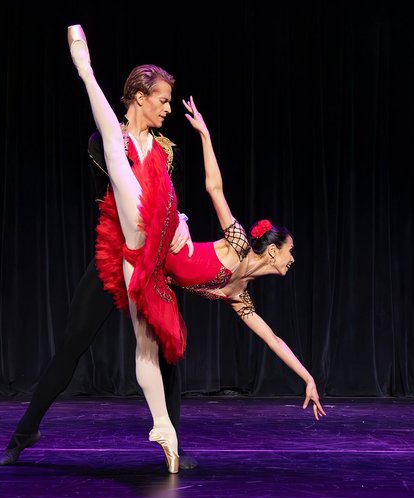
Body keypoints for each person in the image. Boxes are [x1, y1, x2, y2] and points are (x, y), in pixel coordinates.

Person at [68, 24, 326, 474]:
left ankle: (164, 429)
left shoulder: (237, 296)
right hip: (158, 225)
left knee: (146, 345)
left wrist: (307, 377)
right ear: (272, 249)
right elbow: (214, 187)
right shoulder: (238, 243)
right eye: (290, 252)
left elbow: (273, 339)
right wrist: (205, 136)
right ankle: (85, 70)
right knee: (113, 146)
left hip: (148, 262)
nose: (292, 260)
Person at [0, 52, 197, 470]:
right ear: (139, 97)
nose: (167, 107)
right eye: (162, 99)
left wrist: (183, 222)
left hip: (151, 259)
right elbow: (123, 199)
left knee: (166, 351)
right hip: (115, 255)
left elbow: (169, 201)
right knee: (71, 347)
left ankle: (173, 441)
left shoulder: (166, 149)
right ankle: (23, 433)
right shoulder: (103, 141)